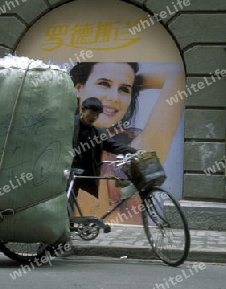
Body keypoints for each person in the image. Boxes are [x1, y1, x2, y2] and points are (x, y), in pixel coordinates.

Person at [69, 62, 185, 223]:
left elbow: (176, 76)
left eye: (124, 89)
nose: (114, 97)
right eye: (103, 84)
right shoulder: (66, 125)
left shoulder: (134, 140)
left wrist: (137, 153)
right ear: (79, 87)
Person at [71, 97, 138, 201]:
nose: (94, 117)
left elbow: (113, 145)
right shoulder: (69, 125)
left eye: (97, 114)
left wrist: (135, 151)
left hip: (88, 176)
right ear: (83, 109)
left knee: (85, 206)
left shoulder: (99, 132)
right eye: (92, 113)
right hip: (67, 173)